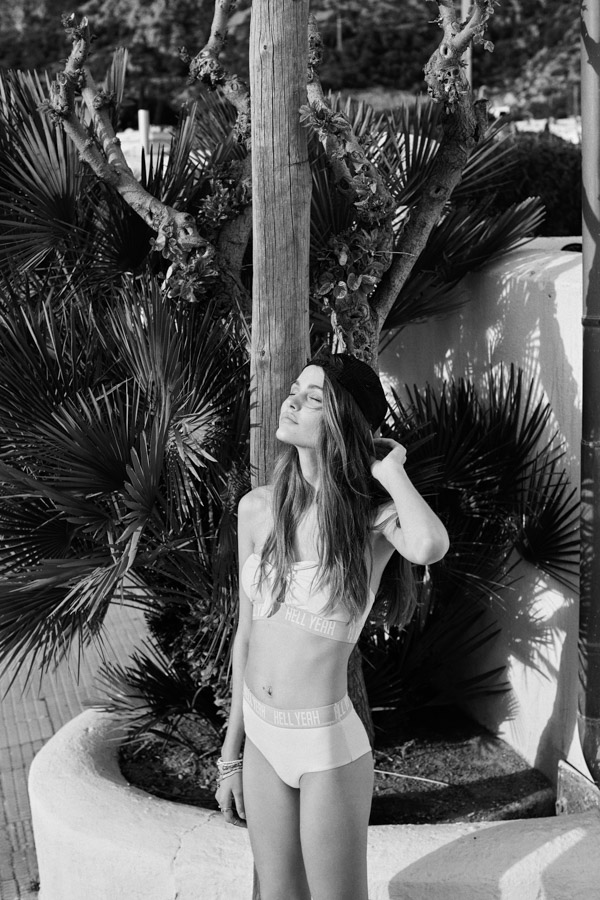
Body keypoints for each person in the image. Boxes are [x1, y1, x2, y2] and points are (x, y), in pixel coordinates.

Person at [215, 352, 449, 900]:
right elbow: (245, 637)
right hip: (262, 742)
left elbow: (429, 545)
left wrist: (390, 471)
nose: (292, 401)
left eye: (314, 398)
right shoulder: (257, 508)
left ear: (342, 422)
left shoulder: (370, 521)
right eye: (295, 390)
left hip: (325, 749)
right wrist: (229, 755)